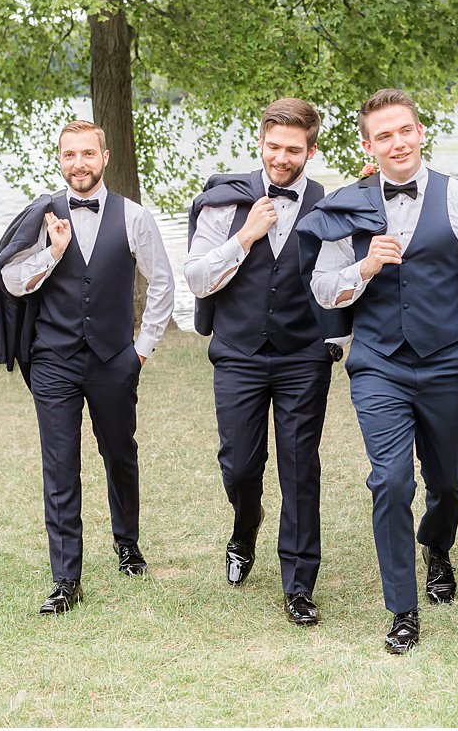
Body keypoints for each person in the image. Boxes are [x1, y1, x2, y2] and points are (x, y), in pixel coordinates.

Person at [296, 88, 458, 654]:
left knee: (449, 480)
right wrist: (363, 267)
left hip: (446, 363)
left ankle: (438, 548)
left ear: (419, 133)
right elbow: (321, 286)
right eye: (382, 136)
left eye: (403, 130)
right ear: (368, 145)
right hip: (378, 365)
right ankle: (402, 609)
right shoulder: (347, 206)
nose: (396, 143)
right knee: (390, 480)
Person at [0, 120, 175, 616]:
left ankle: (127, 542)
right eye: (70, 155)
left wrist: (142, 348)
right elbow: (11, 282)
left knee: (120, 453)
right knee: (60, 466)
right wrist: (52, 253)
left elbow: (161, 283)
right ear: (60, 160)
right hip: (54, 359)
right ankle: (66, 578)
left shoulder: (135, 217)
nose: (79, 164)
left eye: (88, 154)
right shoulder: (40, 215)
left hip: (115, 358)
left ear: (105, 156)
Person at [184, 98, 345, 626]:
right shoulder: (223, 204)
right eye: (273, 146)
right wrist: (245, 236)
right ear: (261, 143)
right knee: (239, 465)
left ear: (311, 150)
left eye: (293, 149)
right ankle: (244, 525)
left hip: (303, 356)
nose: (282, 157)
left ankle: (299, 584)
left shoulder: (329, 205)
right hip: (238, 355)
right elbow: (197, 278)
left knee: (300, 469)